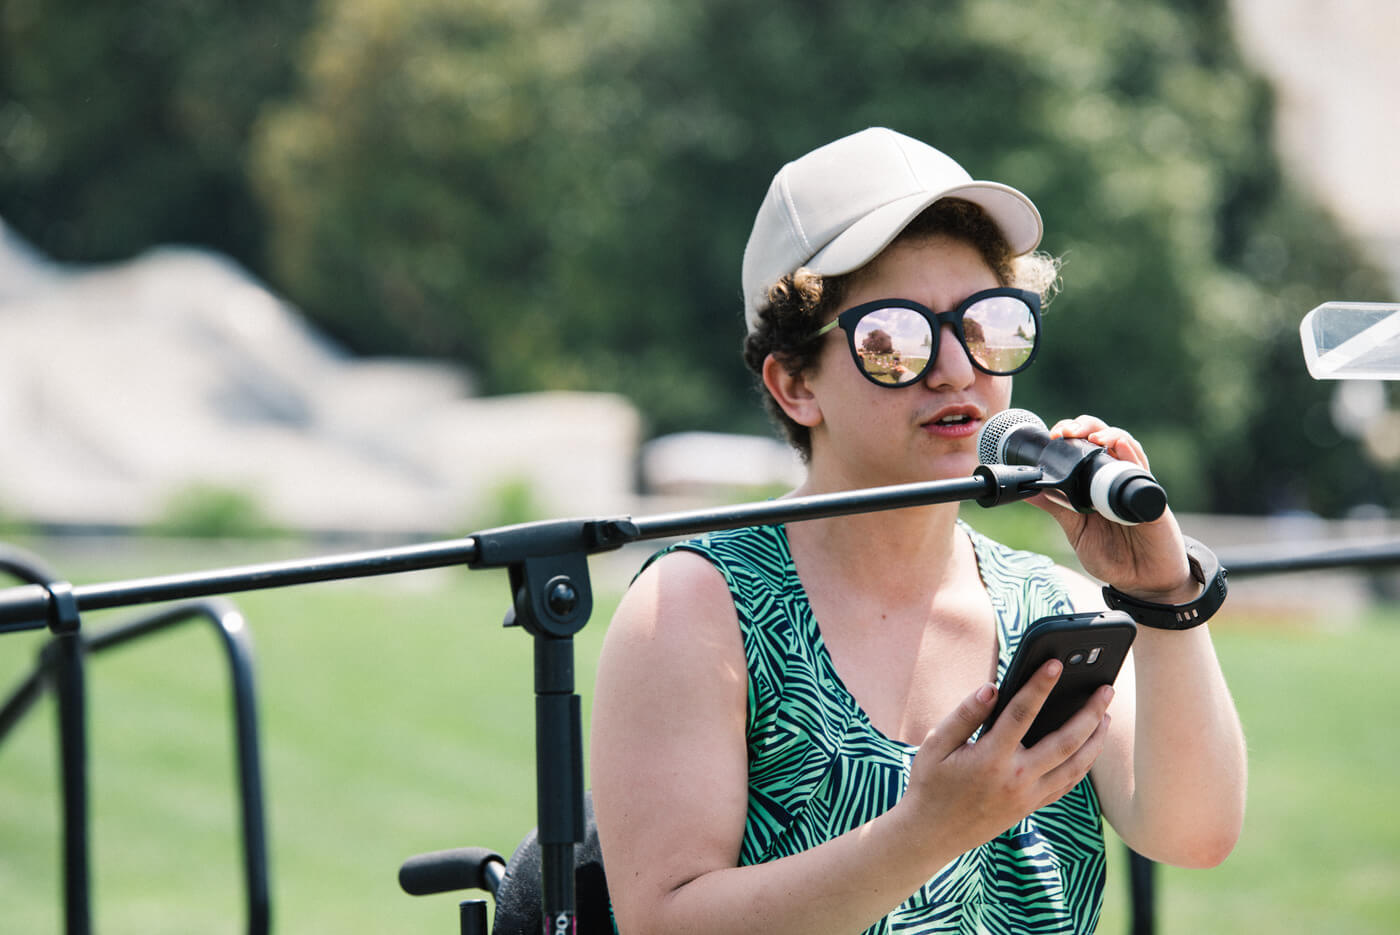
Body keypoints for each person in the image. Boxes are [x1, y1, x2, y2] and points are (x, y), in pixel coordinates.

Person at [589, 127, 1247, 934]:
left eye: (989, 322)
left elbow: (1196, 832)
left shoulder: (1057, 604)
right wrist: (930, 829)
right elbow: (664, 923)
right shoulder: (693, 606)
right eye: (893, 339)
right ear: (795, 382)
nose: (957, 369)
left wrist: (1163, 597)